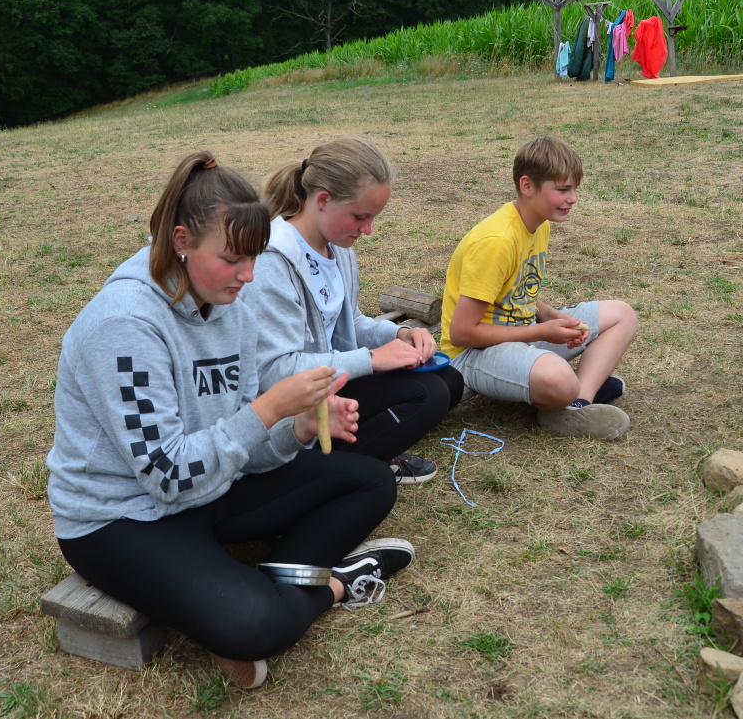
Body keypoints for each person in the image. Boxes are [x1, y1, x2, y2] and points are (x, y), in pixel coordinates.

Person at [46, 151, 416, 690]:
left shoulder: (231, 306)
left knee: (371, 481)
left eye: (254, 257)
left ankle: (274, 582)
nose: (248, 276)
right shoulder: (124, 325)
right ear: (181, 241)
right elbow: (169, 477)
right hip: (123, 517)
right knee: (253, 626)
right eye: (231, 259)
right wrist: (271, 408)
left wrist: (297, 429)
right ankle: (333, 584)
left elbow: (241, 446)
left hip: (211, 489)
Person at [240, 136, 463, 484]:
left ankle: (362, 449)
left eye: (373, 217)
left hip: (327, 384)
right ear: (323, 200)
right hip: (287, 410)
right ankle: (328, 473)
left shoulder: (337, 246)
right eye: (360, 216)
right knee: (429, 394)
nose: (368, 230)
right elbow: (273, 372)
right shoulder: (272, 263)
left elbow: (350, 323)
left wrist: (400, 335)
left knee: (448, 379)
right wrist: (371, 359)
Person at [439, 136, 637, 440]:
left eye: (574, 189)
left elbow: (516, 292)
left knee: (622, 314)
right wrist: (541, 331)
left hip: (521, 333)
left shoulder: (538, 222)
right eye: (563, 189)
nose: (573, 198)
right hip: (473, 355)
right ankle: (564, 392)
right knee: (559, 379)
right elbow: (462, 333)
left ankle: (577, 404)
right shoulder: (497, 242)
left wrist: (553, 316)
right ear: (527, 186)